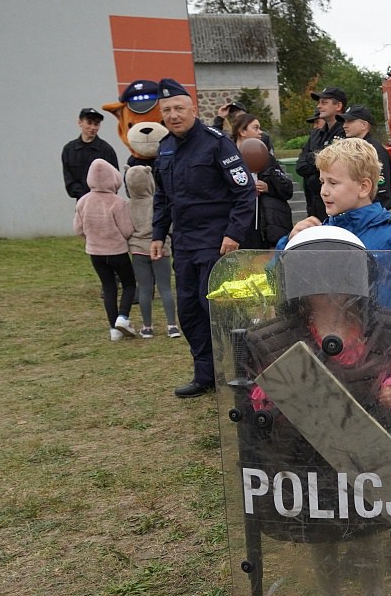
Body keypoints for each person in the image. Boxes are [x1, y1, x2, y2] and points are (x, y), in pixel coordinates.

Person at [239, 230, 391, 596]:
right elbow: (260, 388)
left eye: (338, 277)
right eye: (315, 278)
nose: (328, 288)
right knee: (320, 532)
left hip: (370, 452)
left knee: (368, 529)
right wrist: (272, 400)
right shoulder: (275, 339)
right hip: (308, 458)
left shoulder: (385, 332)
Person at [150, 78, 256, 398]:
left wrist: (233, 234)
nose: (174, 115)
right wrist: (157, 233)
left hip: (215, 242)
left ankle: (244, 370)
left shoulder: (216, 143)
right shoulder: (165, 148)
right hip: (183, 243)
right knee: (190, 311)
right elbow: (162, 198)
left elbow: (244, 192)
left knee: (219, 310)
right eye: (167, 110)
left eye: (179, 108)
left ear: (193, 110)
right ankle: (205, 374)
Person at [283, 138, 391, 325]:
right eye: (322, 182)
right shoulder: (323, 233)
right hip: (330, 340)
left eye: (333, 183)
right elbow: (281, 283)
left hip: (379, 345)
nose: (324, 191)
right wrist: (289, 244)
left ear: (363, 187)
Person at [74, 158, 137, 340]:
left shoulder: (83, 202)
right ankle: (123, 317)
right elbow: (126, 229)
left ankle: (113, 329)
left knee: (109, 288)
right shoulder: (118, 203)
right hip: (117, 252)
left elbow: (78, 229)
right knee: (129, 284)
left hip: (95, 253)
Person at [124, 164, 179, 338]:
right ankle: (172, 326)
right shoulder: (158, 202)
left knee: (145, 289)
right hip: (161, 248)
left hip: (138, 251)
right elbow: (169, 225)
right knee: (166, 289)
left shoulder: (127, 206)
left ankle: (147, 327)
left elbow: (126, 229)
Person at [296, 86, 347, 220]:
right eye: (319, 102)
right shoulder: (317, 134)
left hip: (337, 206)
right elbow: (300, 166)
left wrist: (312, 159)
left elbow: (333, 164)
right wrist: (315, 160)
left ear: (338, 106)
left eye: (324, 103)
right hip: (314, 204)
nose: (319, 106)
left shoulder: (345, 133)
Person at [237, 137, 294, 250]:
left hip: (271, 224)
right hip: (246, 227)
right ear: (242, 131)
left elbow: (287, 189)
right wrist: (247, 191)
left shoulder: (267, 160)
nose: (260, 133)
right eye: (255, 128)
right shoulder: (232, 160)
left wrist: (269, 188)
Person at [340, 105, 391, 209]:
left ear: (364, 125)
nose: (344, 126)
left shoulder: (374, 151)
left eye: (350, 121)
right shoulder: (357, 149)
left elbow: (382, 193)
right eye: (344, 121)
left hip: (371, 216)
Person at [62, 107, 119, 200]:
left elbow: (115, 179)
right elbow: (69, 180)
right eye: (89, 123)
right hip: (81, 202)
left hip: (103, 202)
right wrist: (84, 197)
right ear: (80, 122)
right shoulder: (69, 150)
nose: (93, 128)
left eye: (96, 124)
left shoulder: (106, 150)